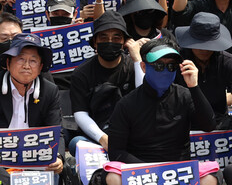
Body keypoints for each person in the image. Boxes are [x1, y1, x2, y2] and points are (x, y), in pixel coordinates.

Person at [105, 38, 218, 185]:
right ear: (144, 67)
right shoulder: (126, 104)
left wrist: (194, 87)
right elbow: (116, 152)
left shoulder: (184, 95)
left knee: (210, 178)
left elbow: (209, 125)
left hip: (179, 170)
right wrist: (151, 170)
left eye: (171, 66)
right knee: (112, 177)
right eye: (158, 66)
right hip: (141, 171)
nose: (165, 71)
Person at [0, 33, 63, 184]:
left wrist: (59, 158)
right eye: (20, 59)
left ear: (40, 67)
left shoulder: (50, 91)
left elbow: (56, 132)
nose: (27, 65)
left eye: (33, 61)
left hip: (34, 156)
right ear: (8, 63)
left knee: (54, 172)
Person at [69, 11, 141, 153]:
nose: (110, 42)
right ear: (95, 42)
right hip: (97, 137)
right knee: (76, 143)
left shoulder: (133, 67)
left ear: (124, 42)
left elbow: (146, 97)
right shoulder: (81, 73)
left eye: (116, 38)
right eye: (104, 37)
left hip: (133, 133)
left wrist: (137, 59)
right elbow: (80, 113)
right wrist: (103, 138)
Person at [175, 12, 232, 129]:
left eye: (209, 45)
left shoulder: (227, 62)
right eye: (199, 44)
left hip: (218, 121)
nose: (204, 50)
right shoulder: (176, 61)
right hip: (182, 120)